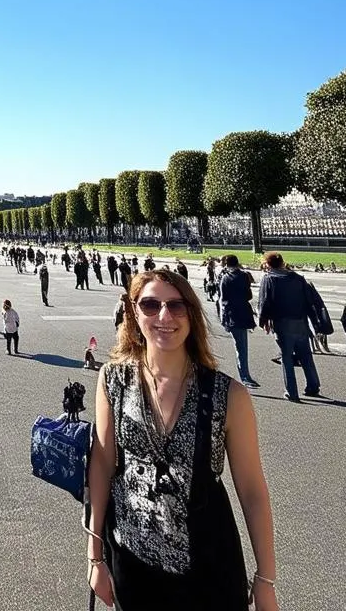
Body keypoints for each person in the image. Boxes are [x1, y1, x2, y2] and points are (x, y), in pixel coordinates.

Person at [87, 269, 278, 611]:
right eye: (150, 305)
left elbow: (251, 490)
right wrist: (94, 556)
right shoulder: (112, 380)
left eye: (177, 306)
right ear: (133, 312)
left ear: (192, 314)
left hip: (210, 567)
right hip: (132, 560)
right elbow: (102, 465)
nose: (164, 316)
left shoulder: (228, 395)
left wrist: (265, 579)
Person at [258, 252, 320, 402]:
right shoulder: (297, 278)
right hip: (300, 320)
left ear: (267, 264)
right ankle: (313, 385)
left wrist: (263, 321)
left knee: (286, 357)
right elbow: (308, 300)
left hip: (282, 322)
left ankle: (292, 392)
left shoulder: (269, 279)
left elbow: (264, 301)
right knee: (306, 355)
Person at [218, 255, 259, 388]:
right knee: (242, 346)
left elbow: (223, 300)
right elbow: (249, 295)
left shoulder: (226, 278)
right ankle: (245, 376)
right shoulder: (244, 276)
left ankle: (245, 376)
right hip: (244, 312)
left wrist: (223, 319)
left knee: (240, 347)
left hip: (232, 314)